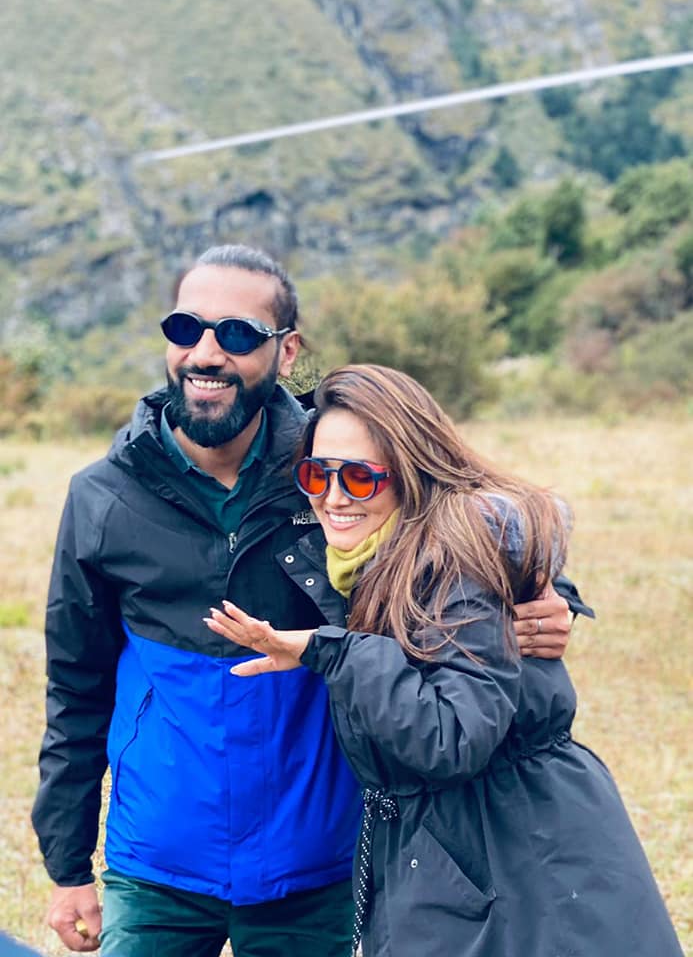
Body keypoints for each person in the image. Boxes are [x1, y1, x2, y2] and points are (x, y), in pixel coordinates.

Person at [32, 246, 584, 957]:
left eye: (237, 334)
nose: (206, 353)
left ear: (286, 351)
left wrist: (549, 595)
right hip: (158, 861)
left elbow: (464, 516)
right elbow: (75, 687)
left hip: (319, 862)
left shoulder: (331, 468)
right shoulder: (102, 496)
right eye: (185, 328)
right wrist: (68, 868)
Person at [206, 364, 683, 957]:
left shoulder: (455, 559)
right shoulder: (372, 559)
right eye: (316, 474)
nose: (332, 497)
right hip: (462, 853)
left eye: (359, 477)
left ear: (412, 471)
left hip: (522, 863)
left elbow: (450, 736)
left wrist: (329, 650)